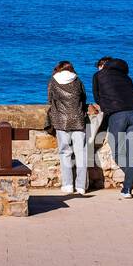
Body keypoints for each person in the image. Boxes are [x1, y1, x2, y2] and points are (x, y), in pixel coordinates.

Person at [92, 56, 133, 199]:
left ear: (102, 65)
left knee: (119, 154)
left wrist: (106, 107)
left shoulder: (99, 75)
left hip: (118, 116)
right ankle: (128, 187)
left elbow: (97, 97)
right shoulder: (126, 77)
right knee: (131, 154)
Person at [47, 61, 89, 194]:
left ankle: (68, 185)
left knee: (65, 153)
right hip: (78, 120)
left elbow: (50, 99)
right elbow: (84, 97)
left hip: (61, 121)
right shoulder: (77, 80)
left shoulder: (53, 81)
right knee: (81, 154)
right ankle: (81, 186)